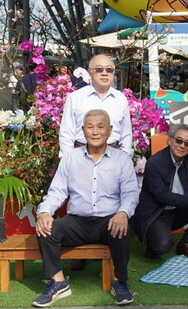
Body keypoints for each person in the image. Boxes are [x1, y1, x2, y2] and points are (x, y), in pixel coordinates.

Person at [32, 109, 139, 307]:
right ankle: (58, 282)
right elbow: (57, 191)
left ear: (109, 130)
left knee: (122, 227)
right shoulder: (71, 158)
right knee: (47, 228)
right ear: (83, 130)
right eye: (90, 127)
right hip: (78, 222)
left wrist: (123, 213)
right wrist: (45, 212)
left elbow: (130, 194)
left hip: (109, 220)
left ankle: (120, 282)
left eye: (100, 127)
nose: (95, 132)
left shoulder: (122, 159)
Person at [130, 123, 188, 260]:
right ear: (169, 140)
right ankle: (152, 243)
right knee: (162, 247)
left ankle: (186, 243)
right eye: (179, 141)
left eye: (187, 144)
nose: (182, 146)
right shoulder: (154, 163)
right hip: (157, 214)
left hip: (179, 210)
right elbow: (162, 196)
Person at [59, 54, 133, 158]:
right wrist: (69, 160)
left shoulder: (120, 99)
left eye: (109, 70)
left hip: (113, 156)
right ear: (89, 72)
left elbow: (126, 134)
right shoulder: (75, 97)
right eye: (99, 69)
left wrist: (125, 157)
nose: (104, 73)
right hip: (81, 155)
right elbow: (66, 133)